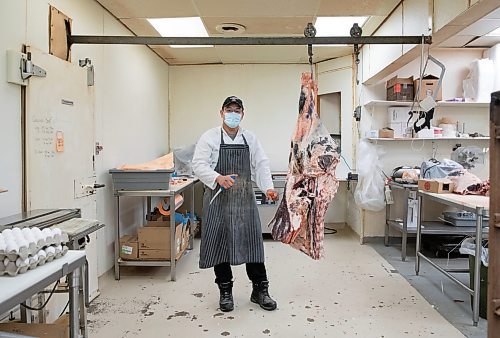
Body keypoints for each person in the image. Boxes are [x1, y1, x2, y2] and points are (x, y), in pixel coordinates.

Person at [192, 96, 279, 312]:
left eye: (237, 110)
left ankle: (260, 290)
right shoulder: (210, 137)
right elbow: (198, 164)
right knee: (221, 245)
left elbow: (261, 164)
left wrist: (267, 187)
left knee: (253, 245)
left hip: (244, 201)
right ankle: (225, 291)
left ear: (242, 114)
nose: (233, 113)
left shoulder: (250, 138)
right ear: (221, 113)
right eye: (229, 109)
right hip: (218, 200)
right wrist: (217, 178)